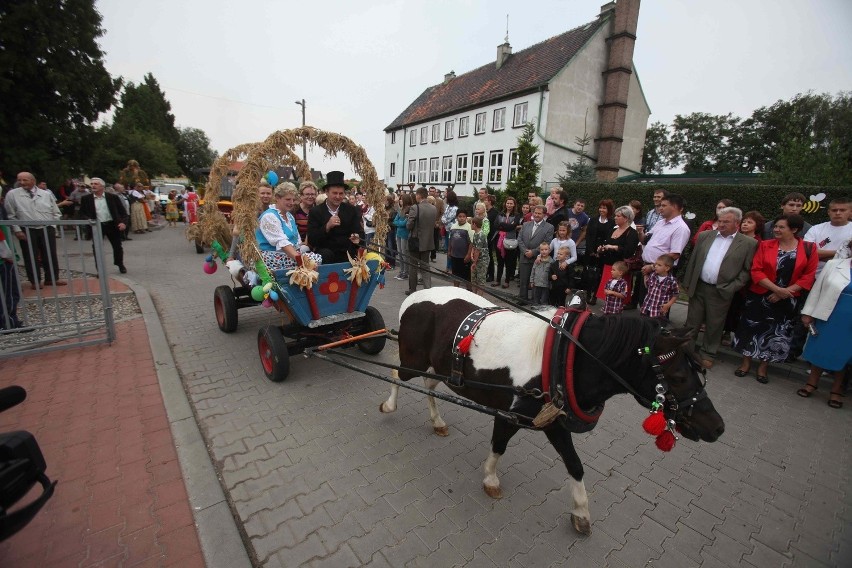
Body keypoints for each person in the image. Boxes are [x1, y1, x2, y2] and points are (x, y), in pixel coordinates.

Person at [733, 214, 818, 384]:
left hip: (787, 299)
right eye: (775, 226)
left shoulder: (809, 248)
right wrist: (777, 289)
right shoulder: (765, 245)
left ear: (794, 230)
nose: (776, 230)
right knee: (751, 330)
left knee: (776, 333)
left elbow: (808, 276)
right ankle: (745, 363)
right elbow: (756, 270)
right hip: (759, 296)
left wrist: (784, 292)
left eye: (781, 227)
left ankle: (763, 367)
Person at [681, 207, 758, 369]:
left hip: (722, 290)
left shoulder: (748, 244)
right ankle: (685, 350)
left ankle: (708, 353)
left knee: (714, 324)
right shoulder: (705, 236)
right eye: (720, 221)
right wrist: (687, 282)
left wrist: (733, 286)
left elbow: (747, 270)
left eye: (726, 222)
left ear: (737, 223)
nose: (721, 224)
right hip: (699, 285)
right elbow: (693, 260)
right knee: (692, 322)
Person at [796, 240, 852, 409]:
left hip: (849, 322)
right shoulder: (834, 264)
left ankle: (836, 390)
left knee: (844, 355)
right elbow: (817, 289)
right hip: (829, 315)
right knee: (820, 348)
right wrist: (808, 313)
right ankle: (811, 383)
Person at [4, 171, 66, 288]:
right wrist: (17, 230)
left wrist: (53, 226)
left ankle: (52, 278)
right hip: (26, 229)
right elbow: (11, 214)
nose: (22, 182)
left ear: (33, 181)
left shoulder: (46, 194)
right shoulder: (12, 194)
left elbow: (55, 212)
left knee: (50, 254)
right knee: (30, 255)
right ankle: (35, 281)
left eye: (25, 180)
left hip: (46, 228)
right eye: (19, 180)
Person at [631, 193, 691, 310]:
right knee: (645, 302)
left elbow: (674, 254)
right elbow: (645, 241)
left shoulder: (681, 228)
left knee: (657, 306)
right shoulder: (660, 223)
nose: (660, 208)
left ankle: (657, 327)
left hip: (660, 272)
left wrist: (653, 267)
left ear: (674, 207)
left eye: (663, 205)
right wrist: (640, 232)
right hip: (647, 268)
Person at [257, 183, 323, 272]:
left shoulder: (289, 216)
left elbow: (297, 241)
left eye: (293, 200)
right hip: (271, 256)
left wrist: (302, 253)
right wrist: (300, 260)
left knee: (317, 258)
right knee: (311, 260)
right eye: (288, 199)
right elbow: (283, 243)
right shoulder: (269, 216)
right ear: (277, 198)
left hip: (287, 254)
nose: (291, 203)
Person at [307, 171, 364, 264]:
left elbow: (361, 234)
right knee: (326, 254)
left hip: (348, 257)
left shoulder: (351, 210)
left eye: (341, 193)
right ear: (327, 192)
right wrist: (327, 226)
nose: (338, 197)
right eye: (334, 193)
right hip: (326, 258)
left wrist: (358, 238)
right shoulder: (316, 211)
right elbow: (312, 240)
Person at [80, 177, 129, 274]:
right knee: (97, 248)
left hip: (112, 225)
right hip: (97, 226)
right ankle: (100, 270)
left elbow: (123, 213)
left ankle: (120, 264)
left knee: (117, 247)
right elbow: (82, 213)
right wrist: (88, 220)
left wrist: (123, 222)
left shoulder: (112, 197)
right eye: (92, 184)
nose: (93, 186)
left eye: (96, 184)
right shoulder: (86, 199)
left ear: (102, 186)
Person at [594, 205, 639, 304]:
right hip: (608, 265)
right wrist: (601, 249)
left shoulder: (632, 233)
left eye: (618, 216)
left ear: (626, 218)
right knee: (607, 292)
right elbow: (606, 243)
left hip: (620, 268)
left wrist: (614, 247)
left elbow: (629, 251)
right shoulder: (612, 230)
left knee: (618, 294)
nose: (615, 217)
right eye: (615, 215)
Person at [803, 197, 852, 276]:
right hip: (816, 275)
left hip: (846, 277)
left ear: (850, 212)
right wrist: (841, 253)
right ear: (829, 212)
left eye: (842, 210)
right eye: (834, 210)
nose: (838, 213)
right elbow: (807, 252)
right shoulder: (815, 229)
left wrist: (821, 256)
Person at [581, 199, 615, 306]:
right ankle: (587, 293)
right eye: (600, 207)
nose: (601, 210)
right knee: (588, 273)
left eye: (604, 208)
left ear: (609, 210)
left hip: (603, 253)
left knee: (598, 275)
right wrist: (591, 250)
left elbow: (610, 237)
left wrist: (601, 250)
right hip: (591, 251)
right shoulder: (593, 220)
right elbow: (589, 236)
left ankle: (595, 295)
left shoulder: (612, 222)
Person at [517, 205, 554, 301]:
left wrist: (533, 252)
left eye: (539, 213)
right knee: (523, 280)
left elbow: (547, 242)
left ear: (544, 214)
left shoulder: (549, 227)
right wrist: (525, 251)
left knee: (537, 281)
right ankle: (522, 299)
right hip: (524, 256)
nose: (536, 215)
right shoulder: (525, 224)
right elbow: (519, 239)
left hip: (539, 258)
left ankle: (535, 300)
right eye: (535, 213)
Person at [405, 187, 437, 295]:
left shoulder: (415, 207)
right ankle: (428, 289)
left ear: (419, 195)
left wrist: (407, 220)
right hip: (428, 242)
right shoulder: (433, 208)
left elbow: (409, 225)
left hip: (416, 241)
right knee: (425, 266)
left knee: (413, 266)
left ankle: (412, 289)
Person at [492, 197, 523, 289]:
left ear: (514, 205)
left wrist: (503, 226)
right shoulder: (500, 214)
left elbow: (512, 227)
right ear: (505, 204)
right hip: (499, 240)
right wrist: (506, 226)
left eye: (511, 203)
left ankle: (507, 281)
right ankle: (498, 280)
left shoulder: (517, 215)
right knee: (499, 260)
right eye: (507, 203)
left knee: (508, 261)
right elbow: (496, 225)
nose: (509, 205)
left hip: (510, 240)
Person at [641, 254, 679, 322]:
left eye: (659, 265)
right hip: (646, 308)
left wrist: (668, 305)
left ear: (667, 268)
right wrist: (645, 274)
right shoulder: (653, 275)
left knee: (655, 329)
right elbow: (647, 285)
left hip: (658, 312)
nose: (656, 266)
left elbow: (676, 294)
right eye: (656, 264)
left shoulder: (671, 281)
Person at [446, 209, 473, 287]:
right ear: (456, 217)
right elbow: (450, 240)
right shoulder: (453, 226)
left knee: (467, 276)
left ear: (466, 218)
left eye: (464, 216)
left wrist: (468, 255)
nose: (462, 218)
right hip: (454, 255)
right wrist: (449, 251)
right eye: (460, 216)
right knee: (455, 274)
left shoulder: (469, 227)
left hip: (464, 257)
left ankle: (469, 291)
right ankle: (456, 289)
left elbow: (471, 242)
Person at [393, 193, 413, 281]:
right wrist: (400, 223)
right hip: (399, 233)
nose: (400, 200)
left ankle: (406, 272)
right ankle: (401, 271)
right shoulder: (401, 210)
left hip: (405, 234)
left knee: (405, 254)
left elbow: (406, 223)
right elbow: (395, 221)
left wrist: (400, 224)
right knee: (400, 253)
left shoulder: (409, 209)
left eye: (401, 199)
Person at [440, 190, 460, 268]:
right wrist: (443, 220)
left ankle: (451, 266)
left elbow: (448, 218)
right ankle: (448, 266)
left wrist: (444, 220)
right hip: (447, 229)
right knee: (447, 248)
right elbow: (444, 216)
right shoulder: (448, 206)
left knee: (451, 248)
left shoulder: (455, 208)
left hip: (452, 230)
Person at [470, 216, 489, 294]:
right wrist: (471, 253)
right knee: (473, 279)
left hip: (482, 261)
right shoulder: (475, 233)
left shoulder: (481, 235)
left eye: (471, 223)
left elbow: (478, 250)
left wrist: (474, 262)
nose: (470, 225)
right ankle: (474, 296)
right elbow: (474, 246)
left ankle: (479, 298)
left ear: (474, 224)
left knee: (480, 280)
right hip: (476, 259)